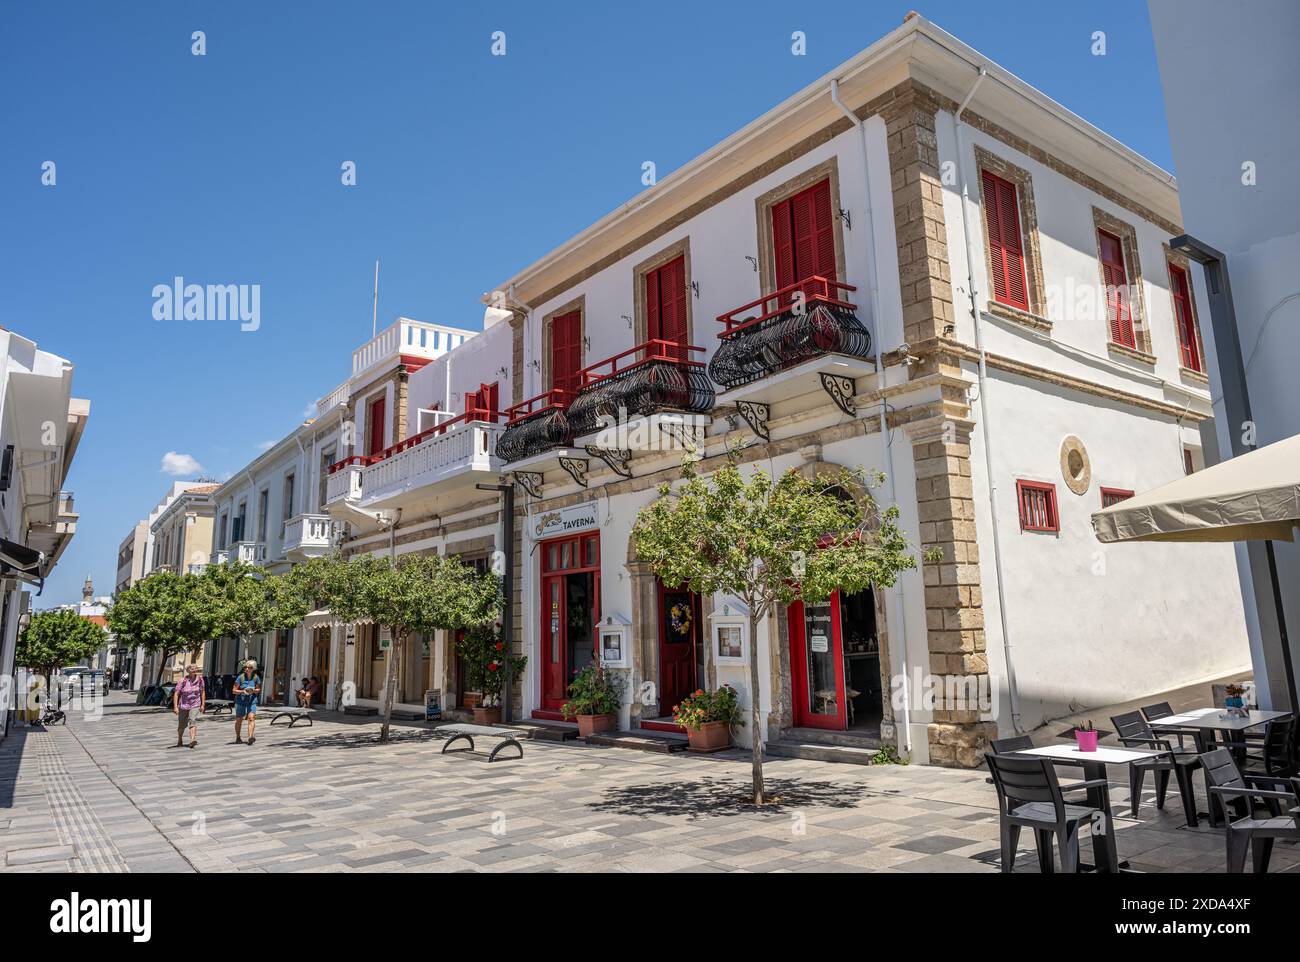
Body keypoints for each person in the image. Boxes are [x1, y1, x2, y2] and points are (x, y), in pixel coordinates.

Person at [172, 663, 205, 749]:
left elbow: (202, 692)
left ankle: (192, 740)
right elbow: (176, 694)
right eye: (192, 668)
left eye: (196, 668)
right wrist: (175, 706)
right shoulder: (182, 681)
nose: (194, 670)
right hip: (183, 705)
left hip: (195, 704)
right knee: (181, 725)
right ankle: (180, 738)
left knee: (192, 720)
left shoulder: (200, 680)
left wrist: (202, 705)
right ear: (188, 670)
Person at [232, 660, 262, 745]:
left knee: (251, 718)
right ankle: (238, 737)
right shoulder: (240, 677)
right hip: (240, 701)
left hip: (251, 701)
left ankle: (250, 737)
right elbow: (234, 691)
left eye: (250, 667)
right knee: (239, 720)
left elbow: (258, 689)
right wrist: (242, 691)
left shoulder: (256, 678)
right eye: (246, 667)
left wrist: (253, 690)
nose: (248, 669)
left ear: (254, 669)